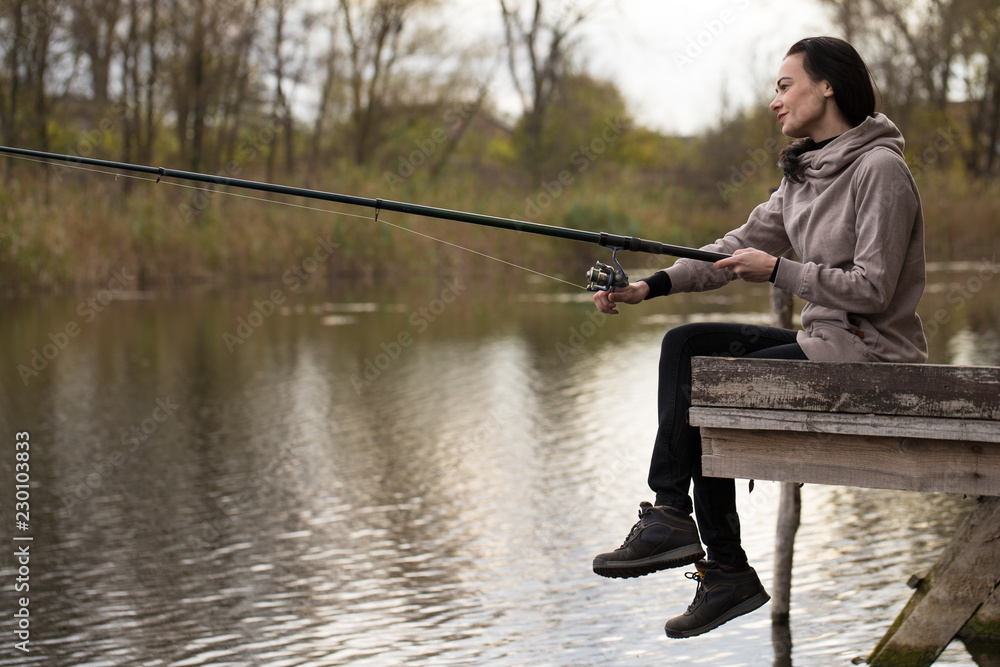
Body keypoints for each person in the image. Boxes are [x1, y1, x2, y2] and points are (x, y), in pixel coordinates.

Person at [591, 36, 927, 639]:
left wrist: (779, 270)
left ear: (828, 85)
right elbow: (727, 250)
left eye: (784, 84)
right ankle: (675, 516)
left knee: (711, 384)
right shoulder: (803, 173)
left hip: (874, 359)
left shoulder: (881, 170)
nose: (774, 100)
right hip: (825, 345)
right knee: (686, 346)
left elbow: (874, 289)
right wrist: (650, 286)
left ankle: (724, 568)